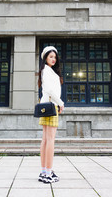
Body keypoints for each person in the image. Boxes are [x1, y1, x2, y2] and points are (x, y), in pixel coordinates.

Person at [38, 46, 64, 184]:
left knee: (46, 140)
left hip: (45, 106)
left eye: (55, 57)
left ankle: (44, 171)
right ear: (45, 58)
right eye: (50, 57)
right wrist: (60, 103)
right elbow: (49, 89)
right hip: (51, 106)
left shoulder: (47, 70)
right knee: (50, 140)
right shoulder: (48, 71)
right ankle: (48, 172)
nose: (53, 59)